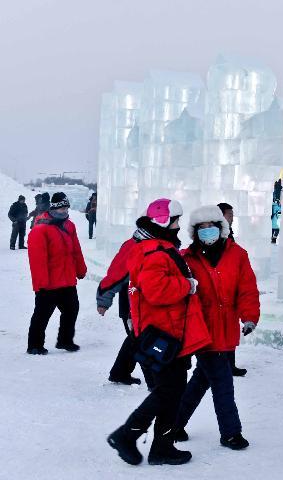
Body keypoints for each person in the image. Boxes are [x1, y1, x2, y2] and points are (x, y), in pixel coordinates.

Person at [106, 199, 211, 466]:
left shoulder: (159, 247)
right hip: (165, 334)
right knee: (167, 392)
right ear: (163, 223)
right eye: (175, 221)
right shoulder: (154, 252)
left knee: (172, 393)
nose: (178, 226)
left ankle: (162, 446)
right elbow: (157, 290)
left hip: (172, 332)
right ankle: (126, 435)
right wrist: (187, 285)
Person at [173, 205, 260, 451]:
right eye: (201, 228)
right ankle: (231, 433)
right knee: (222, 381)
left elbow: (247, 288)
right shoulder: (187, 257)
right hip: (202, 329)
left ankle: (175, 423)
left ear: (221, 227)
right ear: (194, 232)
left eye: (211, 226)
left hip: (227, 327)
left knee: (202, 379)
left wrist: (249, 316)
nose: (207, 231)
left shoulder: (238, 254)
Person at [97, 220, 158, 386]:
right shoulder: (134, 246)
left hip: (145, 303)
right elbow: (116, 275)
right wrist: (103, 300)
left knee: (135, 339)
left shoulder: (154, 244)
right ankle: (154, 383)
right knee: (143, 341)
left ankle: (120, 372)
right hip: (133, 304)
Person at [26, 193, 87, 354]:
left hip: (67, 280)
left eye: (66, 207)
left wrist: (80, 269)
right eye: (61, 207)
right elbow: (37, 260)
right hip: (49, 283)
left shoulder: (69, 225)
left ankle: (65, 341)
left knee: (72, 309)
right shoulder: (40, 229)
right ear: (53, 208)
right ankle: (34, 345)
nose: (64, 210)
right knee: (42, 315)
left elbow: (76, 250)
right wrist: (41, 283)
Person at [217, 202, 247, 377]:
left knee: (230, 328)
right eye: (230, 214)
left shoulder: (229, 235)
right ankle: (225, 365)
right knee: (223, 329)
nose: (232, 218)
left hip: (230, 289)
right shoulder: (216, 236)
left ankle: (230, 364)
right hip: (222, 289)